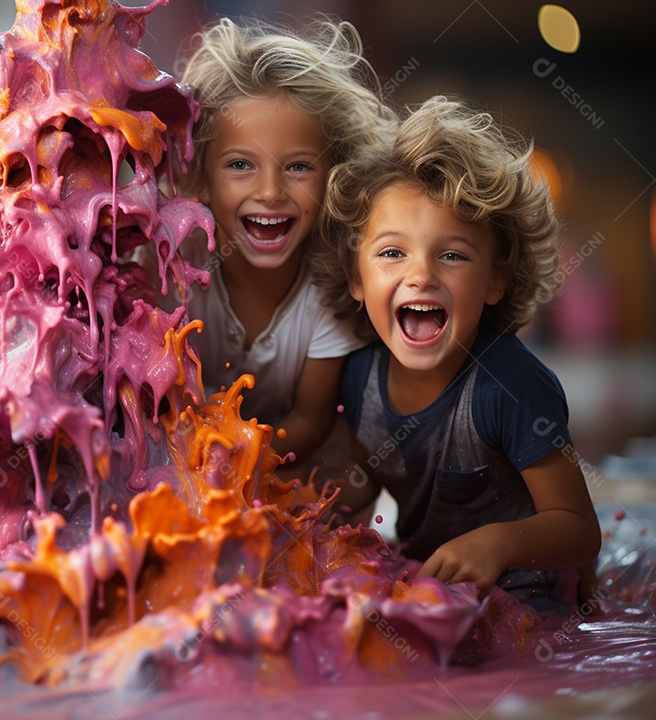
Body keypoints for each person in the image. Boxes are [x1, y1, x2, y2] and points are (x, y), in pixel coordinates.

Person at [315, 95, 601, 611]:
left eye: (451, 255)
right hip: (433, 595)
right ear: (356, 277)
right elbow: (356, 492)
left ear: (495, 280)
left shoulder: (509, 385)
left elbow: (581, 530)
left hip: (530, 605)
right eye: (392, 253)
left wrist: (500, 542)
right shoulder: (358, 377)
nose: (421, 274)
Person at [168, 17, 396, 467]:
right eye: (240, 165)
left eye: (298, 167)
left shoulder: (334, 285)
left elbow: (311, 419)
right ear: (201, 177)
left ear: (335, 177)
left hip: (293, 477)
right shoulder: (175, 269)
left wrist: (237, 462)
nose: (271, 191)